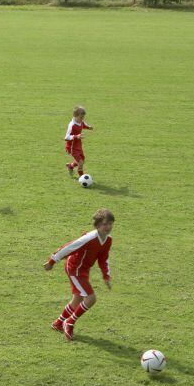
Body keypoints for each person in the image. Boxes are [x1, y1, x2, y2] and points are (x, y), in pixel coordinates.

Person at [43, 209, 114, 341]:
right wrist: (52, 261)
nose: (108, 227)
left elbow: (103, 258)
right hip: (74, 268)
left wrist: (106, 276)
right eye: (105, 224)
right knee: (91, 298)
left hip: (83, 270)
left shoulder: (108, 240)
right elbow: (69, 247)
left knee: (78, 299)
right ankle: (69, 323)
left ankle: (58, 323)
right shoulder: (89, 238)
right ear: (97, 225)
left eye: (110, 224)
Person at [64, 106, 93, 179]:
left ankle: (70, 166)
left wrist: (88, 127)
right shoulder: (72, 125)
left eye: (83, 118)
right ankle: (82, 178)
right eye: (81, 118)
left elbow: (83, 124)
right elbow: (66, 137)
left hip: (78, 146)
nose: (82, 119)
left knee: (82, 160)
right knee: (80, 162)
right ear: (75, 116)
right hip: (72, 147)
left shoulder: (80, 121)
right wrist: (76, 136)